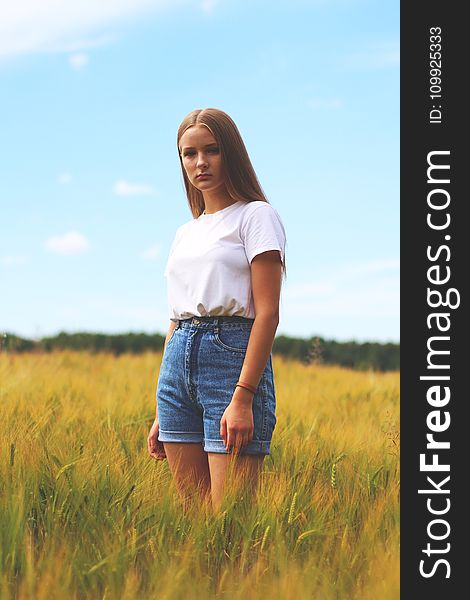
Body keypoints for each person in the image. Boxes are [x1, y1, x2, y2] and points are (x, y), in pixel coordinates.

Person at [147, 108, 287, 513]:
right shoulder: (185, 232)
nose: (200, 163)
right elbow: (177, 318)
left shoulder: (256, 216)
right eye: (189, 154)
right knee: (194, 525)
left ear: (233, 154)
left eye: (212, 150)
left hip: (231, 361)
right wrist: (163, 406)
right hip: (177, 365)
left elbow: (268, 314)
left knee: (232, 523)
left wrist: (243, 396)